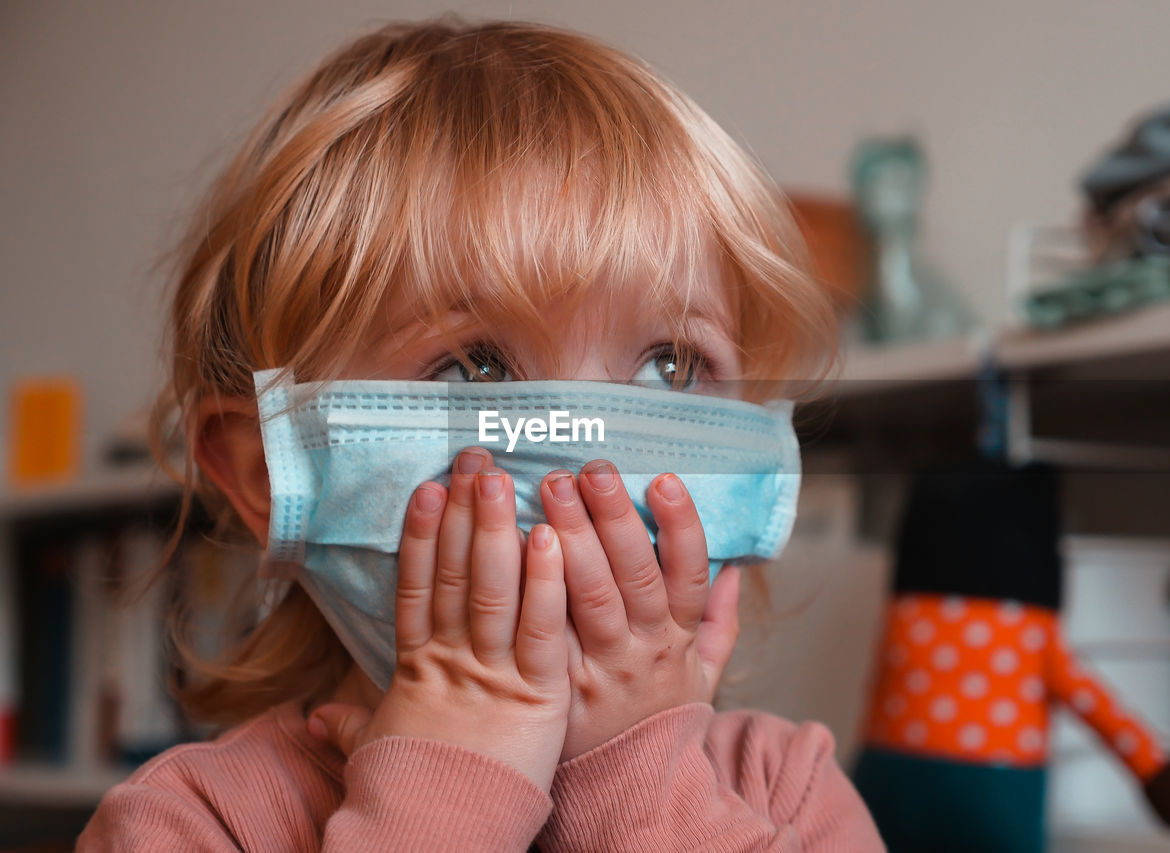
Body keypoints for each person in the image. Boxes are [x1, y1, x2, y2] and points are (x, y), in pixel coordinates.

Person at [78, 18, 884, 851]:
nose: (591, 460)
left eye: (670, 368)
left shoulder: (790, 789)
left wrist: (639, 789)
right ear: (271, 470)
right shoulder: (189, 822)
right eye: (474, 368)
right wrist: (445, 796)